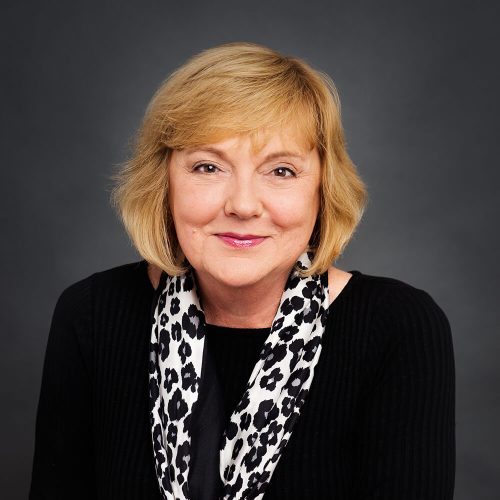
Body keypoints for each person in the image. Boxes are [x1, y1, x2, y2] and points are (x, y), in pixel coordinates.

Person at [29, 42, 455, 500]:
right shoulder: (92, 315)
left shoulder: (399, 328)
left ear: (323, 189)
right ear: (163, 182)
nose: (243, 205)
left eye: (281, 171)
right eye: (208, 167)